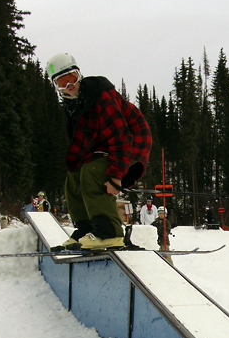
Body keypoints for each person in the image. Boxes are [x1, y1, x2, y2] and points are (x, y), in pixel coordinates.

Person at [45, 53, 152, 250]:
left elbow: (119, 136)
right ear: (56, 86)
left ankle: (109, 232)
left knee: (92, 173)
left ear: (79, 75)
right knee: (74, 177)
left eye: (72, 78)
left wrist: (115, 177)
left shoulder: (100, 96)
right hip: (105, 148)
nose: (69, 85)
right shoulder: (72, 106)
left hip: (132, 142)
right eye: (62, 82)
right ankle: (87, 228)